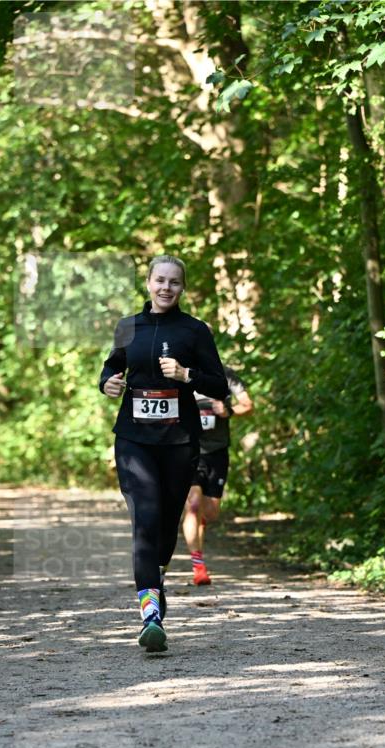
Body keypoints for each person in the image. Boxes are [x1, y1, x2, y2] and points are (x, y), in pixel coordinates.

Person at [100, 255, 228, 652]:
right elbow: (111, 367)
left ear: (182, 288)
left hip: (179, 442)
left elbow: (220, 385)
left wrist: (187, 376)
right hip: (134, 441)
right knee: (146, 520)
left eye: (174, 282)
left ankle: (155, 578)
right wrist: (108, 383)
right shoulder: (128, 327)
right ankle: (150, 616)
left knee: (167, 527)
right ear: (148, 283)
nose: (166, 288)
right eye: (160, 280)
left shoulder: (194, 331)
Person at [183, 366, 253, 585]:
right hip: (188, 449)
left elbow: (248, 406)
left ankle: (197, 526)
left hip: (217, 452)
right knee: (193, 504)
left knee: (210, 512)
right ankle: (198, 567)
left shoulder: (225, 374)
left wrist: (227, 410)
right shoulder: (177, 372)